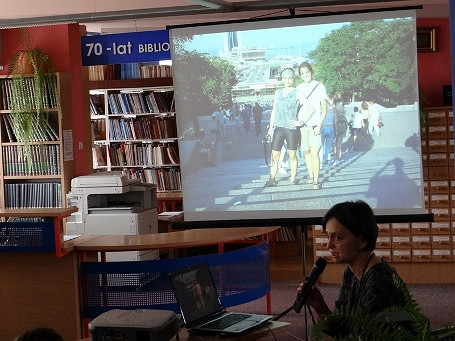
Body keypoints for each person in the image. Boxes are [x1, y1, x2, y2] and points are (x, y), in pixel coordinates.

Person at [297, 200, 406, 338]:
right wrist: (319, 305)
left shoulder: (378, 282)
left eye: (337, 238)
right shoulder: (351, 271)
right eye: (327, 236)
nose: (329, 245)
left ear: (362, 241)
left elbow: (358, 335)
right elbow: (340, 328)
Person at [265, 68, 311, 187]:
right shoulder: (278, 92)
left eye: (290, 77)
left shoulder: (297, 93)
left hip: (291, 129)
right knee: (275, 154)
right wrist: (270, 128)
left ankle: (293, 178)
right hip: (279, 128)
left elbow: (311, 108)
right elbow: (274, 111)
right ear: (282, 79)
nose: (287, 80)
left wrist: (301, 122)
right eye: (285, 78)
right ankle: (271, 179)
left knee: (292, 155)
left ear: (293, 79)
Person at [296, 62, 328, 190]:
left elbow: (324, 109)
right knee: (307, 152)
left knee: (315, 152)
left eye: (307, 72)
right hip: (303, 126)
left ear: (311, 72)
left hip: (315, 125)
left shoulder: (320, 86)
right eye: (302, 73)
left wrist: (319, 126)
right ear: (300, 75)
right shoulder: (298, 88)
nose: (305, 75)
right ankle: (310, 175)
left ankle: (316, 180)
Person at [320, 93, 336, 168]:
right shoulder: (333, 108)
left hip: (322, 127)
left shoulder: (321, 108)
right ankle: (327, 160)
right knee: (328, 146)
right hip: (331, 127)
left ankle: (320, 162)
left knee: (321, 146)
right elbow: (335, 120)